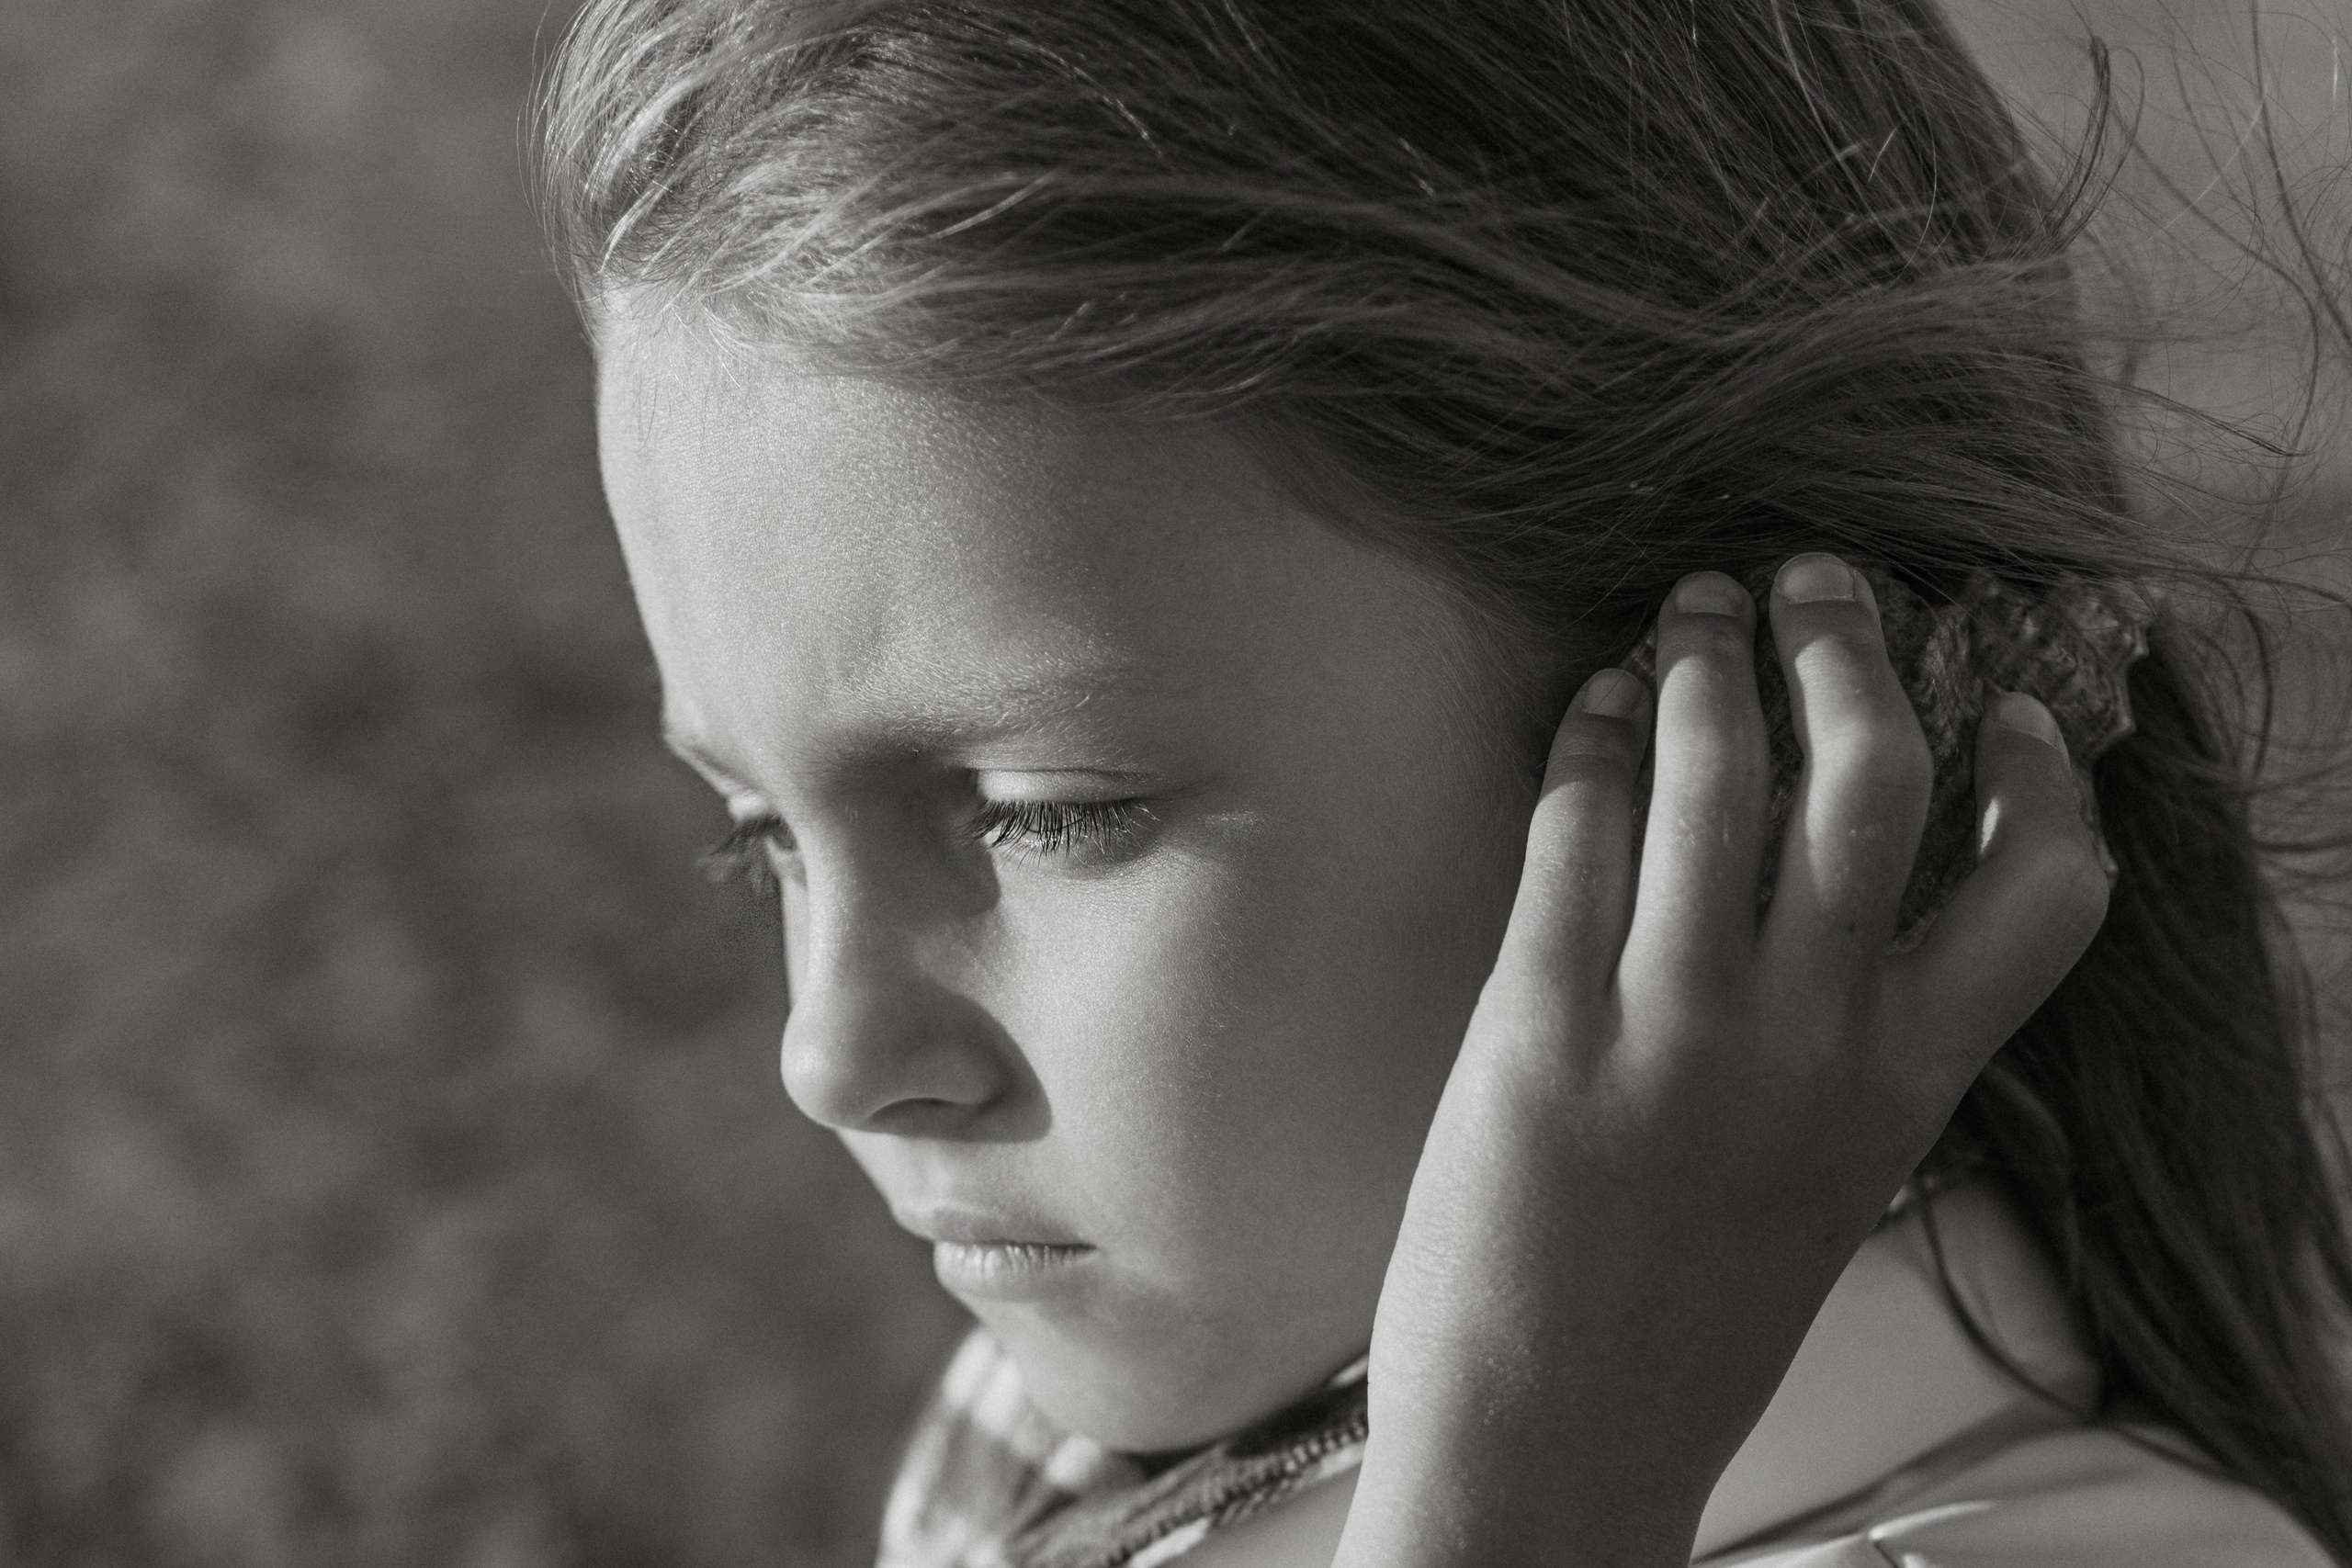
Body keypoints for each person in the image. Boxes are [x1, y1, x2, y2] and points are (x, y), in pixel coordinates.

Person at [533, 1, 2352, 1562]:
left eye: (1043, 810)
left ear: (1782, 764)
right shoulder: (1088, 1437)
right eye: (754, 832)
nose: (829, 1050)